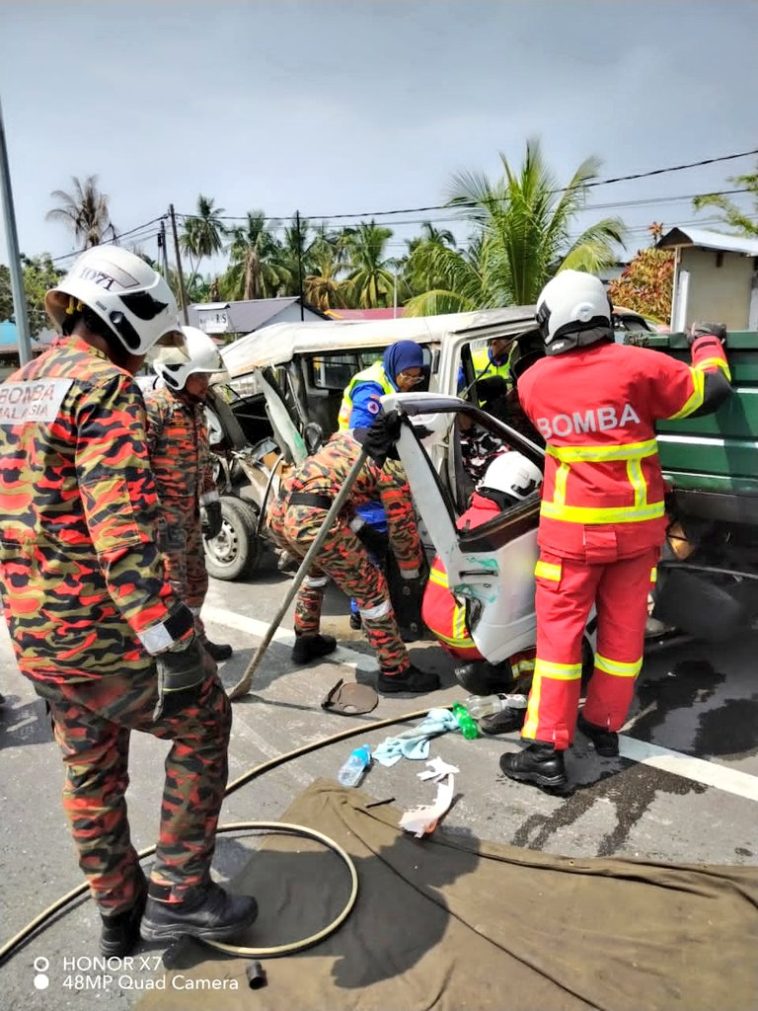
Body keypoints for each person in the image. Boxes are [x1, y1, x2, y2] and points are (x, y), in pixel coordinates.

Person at [0, 246, 257, 956]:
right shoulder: (104, 387)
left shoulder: (16, 386)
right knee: (205, 721)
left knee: (90, 769)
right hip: (99, 632)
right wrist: (169, 639)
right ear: (131, 317)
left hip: (37, 637)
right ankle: (179, 893)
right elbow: (122, 532)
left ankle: (119, 913)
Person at [501, 270, 733, 791]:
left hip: (570, 537)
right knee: (623, 636)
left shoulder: (534, 382)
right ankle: (603, 726)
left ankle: (545, 750)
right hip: (635, 535)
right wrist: (706, 340)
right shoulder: (642, 368)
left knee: (560, 644)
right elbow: (711, 390)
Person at [267, 429, 439, 694]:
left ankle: (306, 639)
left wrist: (367, 535)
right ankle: (396, 671)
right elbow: (402, 532)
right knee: (372, 592)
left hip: (281, 513)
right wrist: (410, 575)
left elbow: (338, 498)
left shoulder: (346, 439)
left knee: (315, 572)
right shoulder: (392, 466)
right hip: (313, 520)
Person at [421, 452, 542, 732]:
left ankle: (482, 665)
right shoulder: (506, 531)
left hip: (438, 622)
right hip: (467, 637)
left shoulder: (470, 517)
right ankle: (500, 674)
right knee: (553, 638)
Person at [145, 326, 233, 662]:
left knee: (197, 583)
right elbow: (137, 468)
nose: (206, 383)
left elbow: (203, 460)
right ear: (177, 373)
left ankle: (195, 636)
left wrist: (211, 505)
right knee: (174, 591)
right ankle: (177, 657)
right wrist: (154, 518)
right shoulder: (155, 409)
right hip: (165, 522)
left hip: (190, 517)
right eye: (200, 376)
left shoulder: (195, 409)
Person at [337, 340, 427, 629]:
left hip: (379, 471)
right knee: (371, 544)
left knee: (382, 543)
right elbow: (361, 433)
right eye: (407, 375)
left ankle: (370, 608)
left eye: (417, 376)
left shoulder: (392, 383)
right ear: (395, 367)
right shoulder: (370, 387)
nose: (411, 382)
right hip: (359, 471)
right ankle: (362, 612)